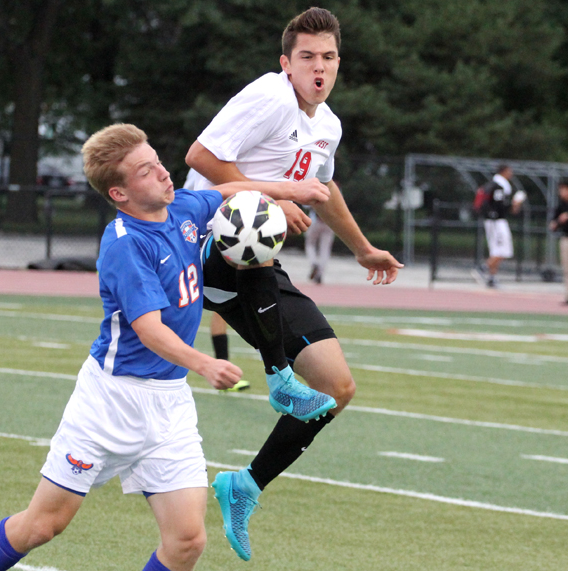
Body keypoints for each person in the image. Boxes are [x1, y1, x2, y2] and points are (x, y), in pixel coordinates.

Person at [0, 123, 330, 571]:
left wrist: (288, 190)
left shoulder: (184, 208)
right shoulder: (125, 246)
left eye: (158, 162)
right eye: (146, 171)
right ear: (119, 194)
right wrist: (204, 364)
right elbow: (150, 330)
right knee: (43, 525)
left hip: (168, 404)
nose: (164, 174)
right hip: (110, 401)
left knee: (187, 541)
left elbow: (229, 188)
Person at [185, 7, 403, 561]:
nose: (319, 67)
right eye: (307, 57)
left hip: (254, 259)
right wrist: (277, 196)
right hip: (205, 242)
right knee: (261, 216)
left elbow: (323, 192)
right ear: (287, 63)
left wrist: (363, 249)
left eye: (328, 57)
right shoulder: (270, 96)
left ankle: (246, 486)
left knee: (336, 389)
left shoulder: (326, 124)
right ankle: (278, 373)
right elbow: (201, 158)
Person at [184, 168, 249, 391]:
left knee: (221, 307)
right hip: (198, 240)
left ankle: (224, 367)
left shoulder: (235, 165)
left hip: (219, 239)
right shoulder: (203, 167)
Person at [474, 165, 521, 287]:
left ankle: (492, 277)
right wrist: (513, 204)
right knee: (502, 250)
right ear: (503, 171)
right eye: (509, 171)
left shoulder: (495, 185)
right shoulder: (498, 186)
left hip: (494, 221)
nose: (511, 173)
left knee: (497, 250)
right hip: (496, 221)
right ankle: (482, 269)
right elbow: (499, 205)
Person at [305, 208, 335, 284]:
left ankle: (314, 262)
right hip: (330, 222)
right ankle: (320, 273)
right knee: (325, 249)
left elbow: (306, 205)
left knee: (310, 244)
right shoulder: (338, 196)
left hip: (315, 220)